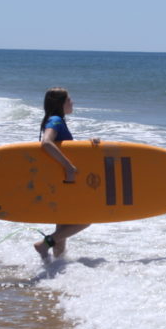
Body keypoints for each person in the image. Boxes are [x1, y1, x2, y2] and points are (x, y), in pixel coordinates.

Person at [33, 87, 100, 261]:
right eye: (69, 100)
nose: (72, 102)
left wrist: (87, 143)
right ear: (61, 103)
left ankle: (54, 268)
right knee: (85, 219)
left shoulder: (55, 120)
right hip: (65, 182)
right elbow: (46, 143)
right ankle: (44, 245)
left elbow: (63, 146)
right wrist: (69, 167)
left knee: (62, 230)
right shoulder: (55, 120)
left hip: (59, 182)